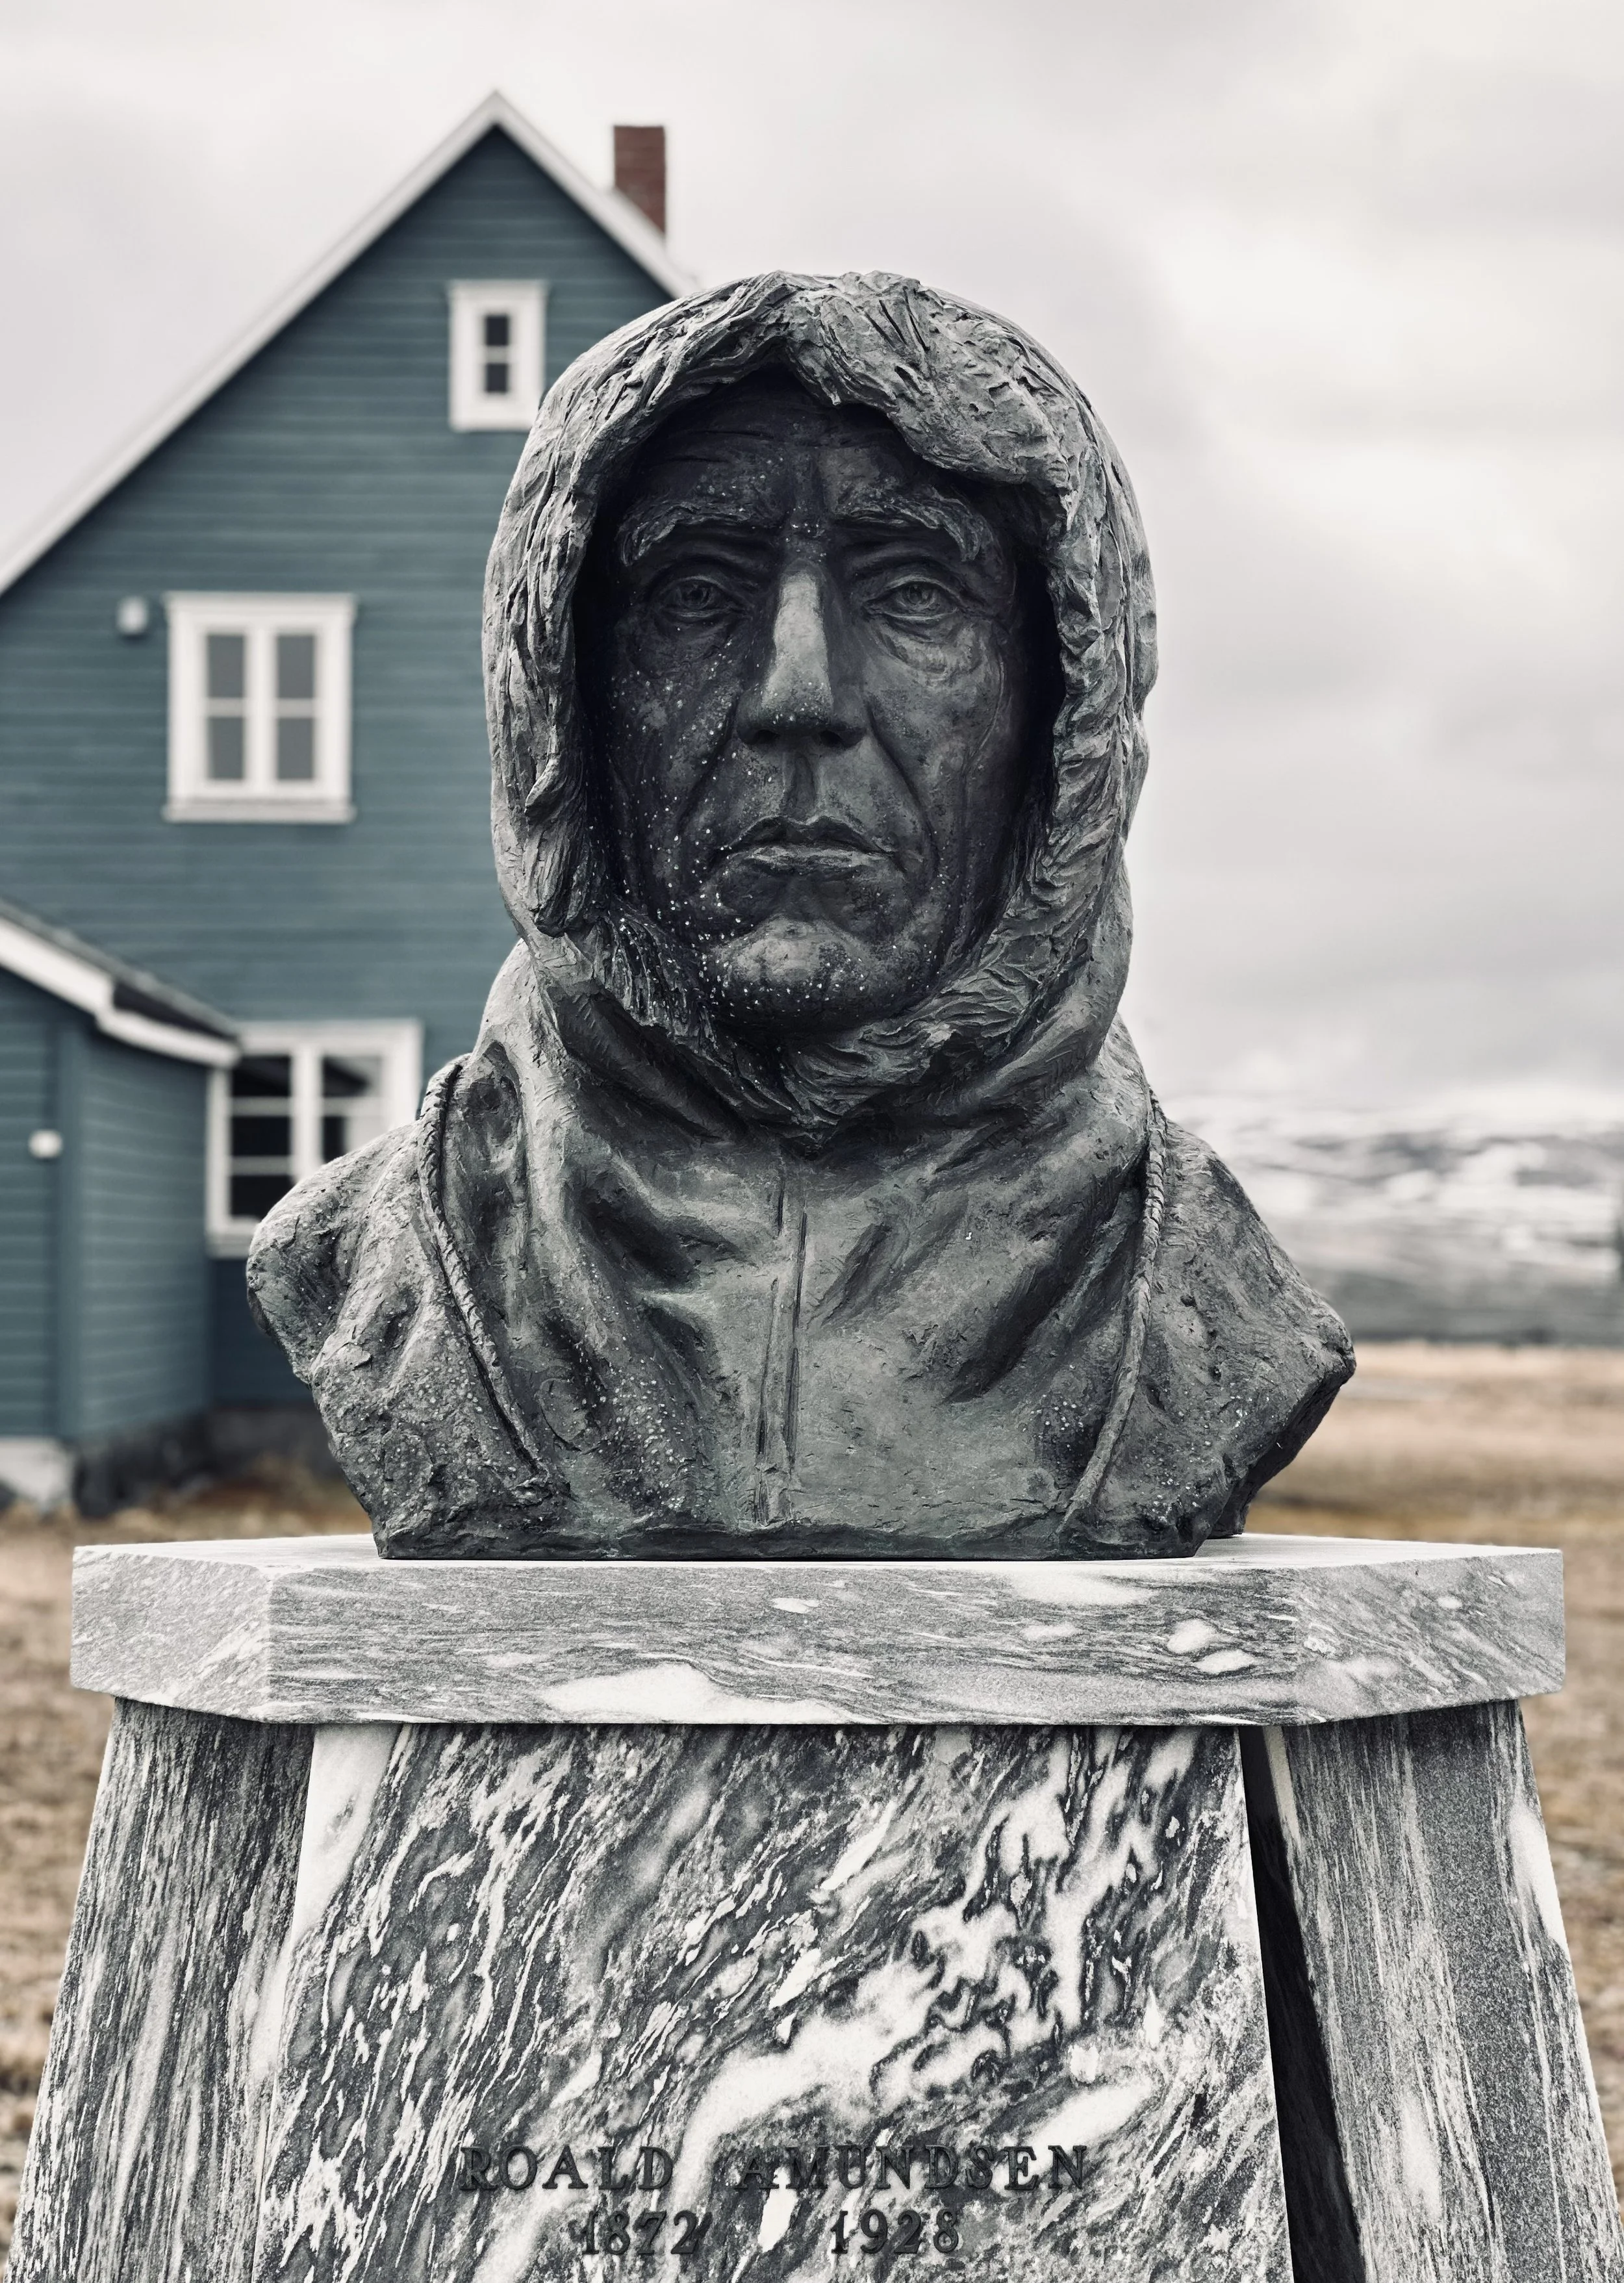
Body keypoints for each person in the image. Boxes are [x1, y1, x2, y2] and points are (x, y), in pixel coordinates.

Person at [249, 272, 1352, 1559]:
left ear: (1063, 710)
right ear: (560, 699)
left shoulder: (1200, 1305)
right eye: (696, 595)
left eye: (915, 595)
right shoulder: (388, 1262)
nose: (799, 695)